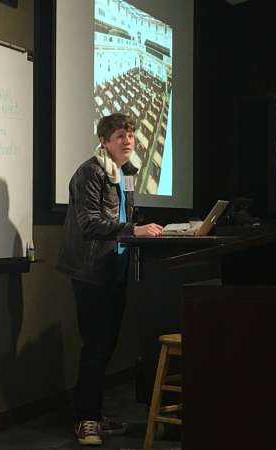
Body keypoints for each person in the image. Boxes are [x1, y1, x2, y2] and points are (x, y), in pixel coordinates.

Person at [57, 113, 163, 445]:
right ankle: (85, 420)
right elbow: (89, 224)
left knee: (107, 347)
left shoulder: (126, 173)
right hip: (91, 272)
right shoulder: (88, 173)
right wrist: (134, 230)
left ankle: (96, 415)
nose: (128, 141)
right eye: (120, 136)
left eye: (131, 135)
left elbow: (123, 217)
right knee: (95, 346)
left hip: (114, 270)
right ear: (104, 141)